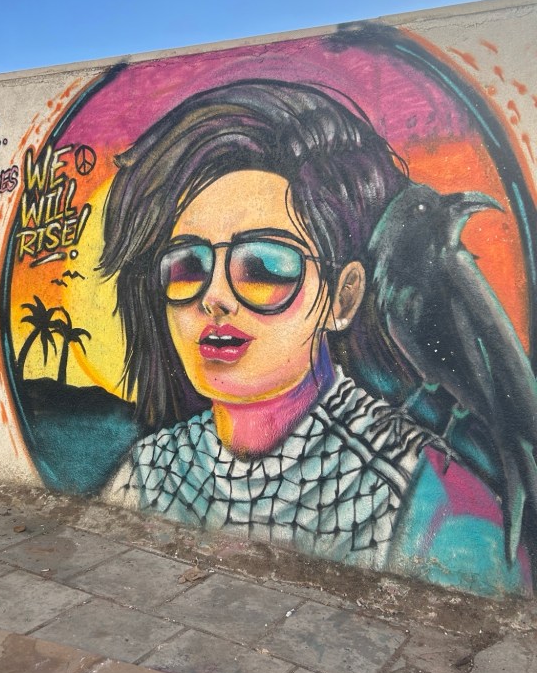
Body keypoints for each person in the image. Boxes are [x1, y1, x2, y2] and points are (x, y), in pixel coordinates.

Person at [101, 79, 530, 592]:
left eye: (264, 266)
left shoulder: (428, 498)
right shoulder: (150, 468)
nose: (213, 297)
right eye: (188, 266)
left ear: (343, 298)